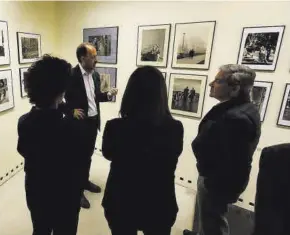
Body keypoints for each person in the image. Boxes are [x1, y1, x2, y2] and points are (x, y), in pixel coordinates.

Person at [101, 66, 184, 235]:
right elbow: (172, 156)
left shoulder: (115, 127)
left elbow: (108, 154)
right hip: (159, 199)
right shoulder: (174, 128)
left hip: (121, 199)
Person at [184, 64, 261, 235]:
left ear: (234, 88)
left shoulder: (235, 117)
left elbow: (221, 154)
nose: (211, 84)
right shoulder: (246, 108)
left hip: (217, 182)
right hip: (221, 180)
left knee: (213, 225)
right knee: (211, 221)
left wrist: (207, 174)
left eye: (218, 81)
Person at [17, 54, 84, 235]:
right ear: (61, 91)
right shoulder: (70, 127)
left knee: (40, 229)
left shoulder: (24, 122)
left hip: (36, 190)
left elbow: (23, 150)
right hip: (65, 194)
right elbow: (78, 163)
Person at [61, 42, 118, 209]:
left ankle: (84, 182)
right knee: (77, 159)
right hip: (78, 125)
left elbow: (95, 97)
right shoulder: (70, 75)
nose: (96, 60)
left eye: (95, 56)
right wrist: (70, 111)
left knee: (87, 156)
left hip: (93, 123)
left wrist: (107, 95)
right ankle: (76, 192)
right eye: (93, 57)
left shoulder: (95, 75)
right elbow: (58, 99)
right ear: (82, 58)